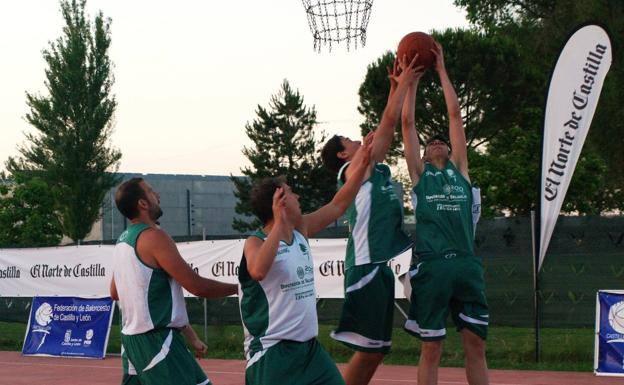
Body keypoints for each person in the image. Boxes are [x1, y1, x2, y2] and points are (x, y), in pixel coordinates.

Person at [319, 54, 424, 385]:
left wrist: (401, 88)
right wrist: (403, 84)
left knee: (377, 350)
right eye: (348, 141)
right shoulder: (351, 170)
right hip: (366, 264)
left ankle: (420, 290)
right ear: (342, 154)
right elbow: (389, 124)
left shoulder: (376, 169)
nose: (355, 139)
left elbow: (395, 127)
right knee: (368, 350)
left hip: (383, 261)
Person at [239, 136, 373, 385]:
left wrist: (363, 163)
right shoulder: (255, 242)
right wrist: (279, 223)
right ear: (279, 202)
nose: (297, 196)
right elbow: (258, 270)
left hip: (309, 350)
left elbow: (338, 205)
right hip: (273, 354)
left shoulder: (300, 231)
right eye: (291, 192)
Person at [400, 42, 489, 385]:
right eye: (430, 142)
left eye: (443, 141)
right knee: (432, 348)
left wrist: (442, 70)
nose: (437, 141)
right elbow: (407, 123)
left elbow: (455, 115)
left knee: (476, 344)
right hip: (433, 265)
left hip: (466, 264)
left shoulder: (460, 171)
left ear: (452, 151)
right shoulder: (421, 177)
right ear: (422, 156)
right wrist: (412, 81)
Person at [110, 177, 238, 385]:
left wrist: (190, 334)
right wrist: (241, 288)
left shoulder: (122, 241)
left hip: (133, 341)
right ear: (142, 203)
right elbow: (197, 286)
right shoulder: (154, 237)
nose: (157, 195)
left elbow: (115, 293)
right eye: (151, 192)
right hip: (156, 341)